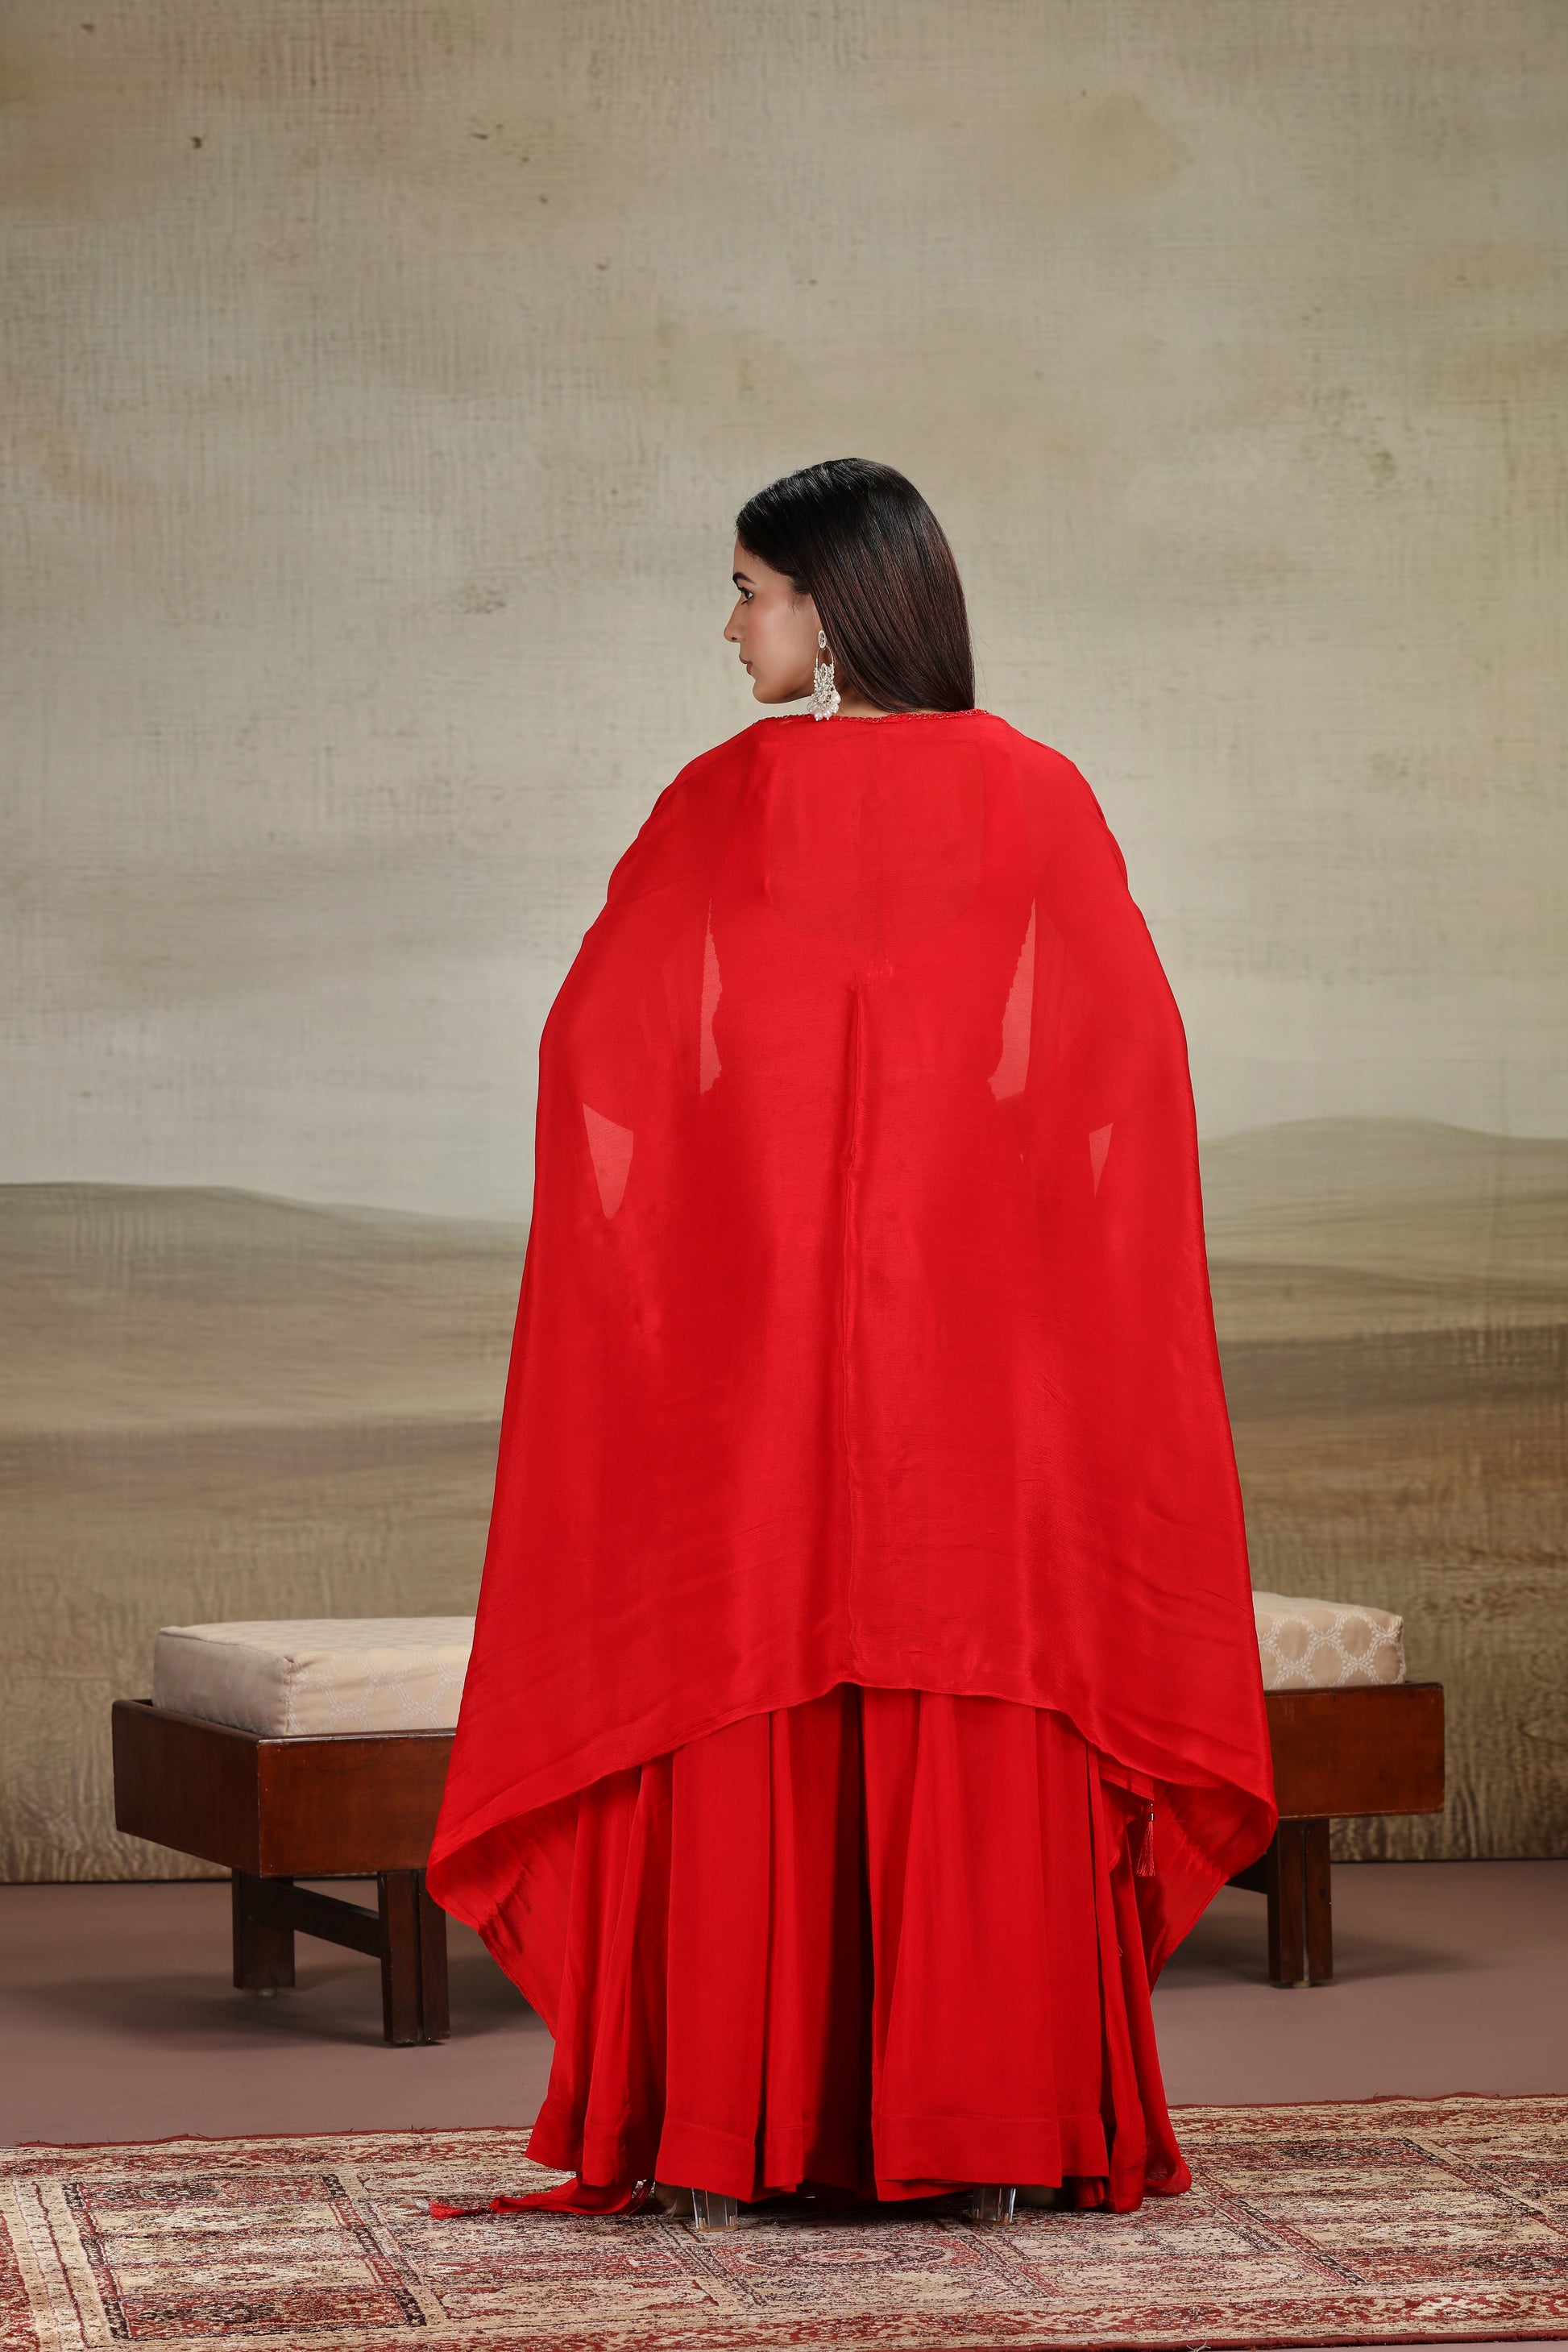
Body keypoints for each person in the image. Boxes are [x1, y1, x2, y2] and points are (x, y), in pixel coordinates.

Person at [426, 458, 1277, 2229]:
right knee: (977, 1648)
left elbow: (599, 1059)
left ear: (831, 607)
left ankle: (742, 2127)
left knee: (761, 1647)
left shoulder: (723, 802)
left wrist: (694, 1241)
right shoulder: (1039, 795)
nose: (732, 625)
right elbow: (1127, 1081)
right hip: (987, 1368)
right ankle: (996, 2128)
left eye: (748, 588)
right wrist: (1030, 1245)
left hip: (766, 1370)